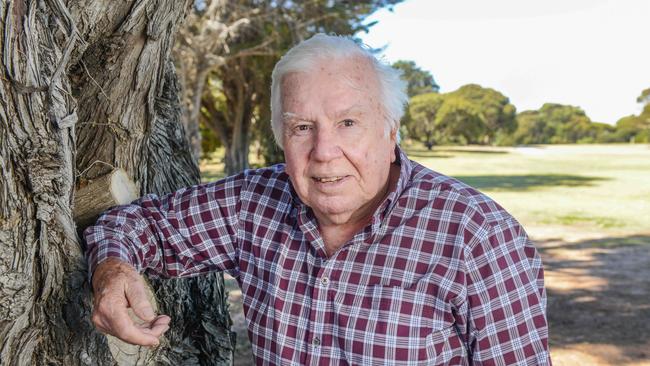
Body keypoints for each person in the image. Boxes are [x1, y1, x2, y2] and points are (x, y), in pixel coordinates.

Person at [86, 34, 551, 365]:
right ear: (281, 138)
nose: (324, 152)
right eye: (302, 128)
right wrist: (112, 271)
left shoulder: (478, 237)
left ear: (391, 132)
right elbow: (132, 224)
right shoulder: (255, 203)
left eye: (348, 123)